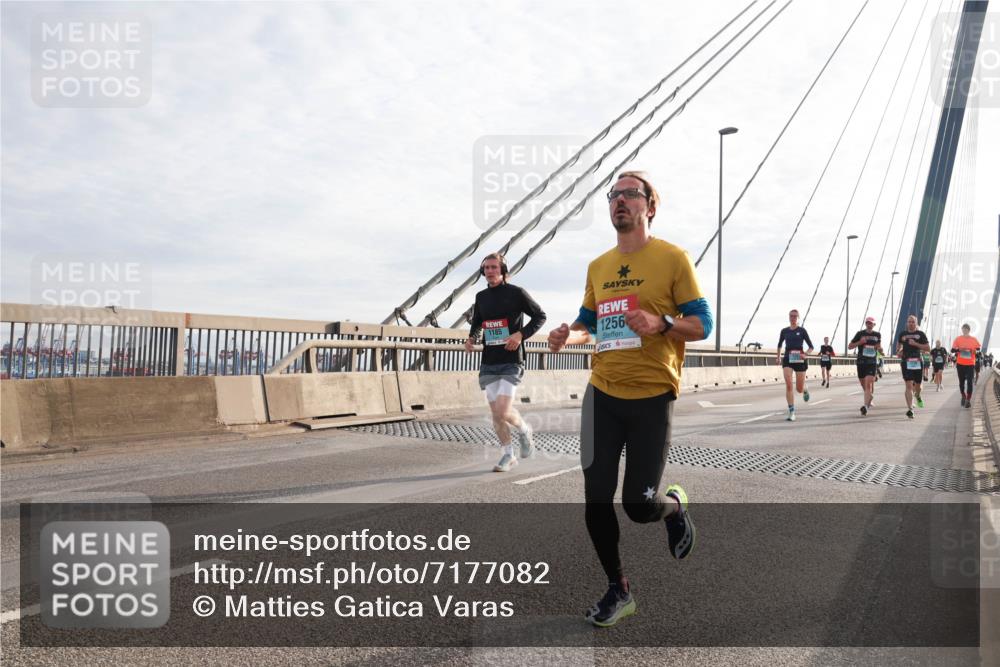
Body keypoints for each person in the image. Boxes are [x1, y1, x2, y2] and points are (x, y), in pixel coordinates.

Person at [546, 170, 712, 627]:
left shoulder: (673, 259)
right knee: (595, 499)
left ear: (649, 207)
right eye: (613, 196)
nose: (619, 201)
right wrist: (569, 335)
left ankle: (673, 507)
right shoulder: (598, 267)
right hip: (602, 395)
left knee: (639, 506)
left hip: (652, 397)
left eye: (629, 194)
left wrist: (662, 324)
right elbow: (589, 325)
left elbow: (703, 325)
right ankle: (618, 589)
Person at [465, 252, 546, 472]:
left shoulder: (516, 293)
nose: (489, 271)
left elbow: (540, 316)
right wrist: (472, 339)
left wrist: (520, 335)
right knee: (496, 415)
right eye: (486, 268)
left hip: (512, 360)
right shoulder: (481, 297)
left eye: (494, 267)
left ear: (503, 270)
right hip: (489, 361)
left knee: (502, 409)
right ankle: (509, 455)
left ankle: (524, 429)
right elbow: (478, 324)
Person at [776, 310, 814, 421]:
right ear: (789, 317)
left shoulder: (802, 331)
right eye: (791, 316)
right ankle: (792, 412)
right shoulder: (784, 331)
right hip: (788, 358)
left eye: (795, 316)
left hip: (799, 359)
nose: (793, 318)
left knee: (799, 389)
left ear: (798, 318)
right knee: (788, 385)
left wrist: (806, 354)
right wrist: (778, 357)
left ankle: (805, 389)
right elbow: (779, 345)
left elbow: (811, 346)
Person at [896, 315, 930, 419]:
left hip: (917, 362)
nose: (910, 323)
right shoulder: (903, 334)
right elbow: (899, 346)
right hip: (906, 362)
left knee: (918, 387)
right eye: (909, 322)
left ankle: (918, 395)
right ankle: (910, 409)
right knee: (909, 385)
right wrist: (899, 351)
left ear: (916, 323)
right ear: (907, 323)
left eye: (912, 322)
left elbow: (928, 348)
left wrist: (915, 344)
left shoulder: (920, 334)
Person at [848, 316, 883, 416]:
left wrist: (880, 349)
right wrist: (860, 342)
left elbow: (879, 347)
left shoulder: (877, 335)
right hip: (861, 362)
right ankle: (869, 397)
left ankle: (865, 407)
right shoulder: (860, 334)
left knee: (868, 384)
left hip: (872, 363)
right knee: (864, 385)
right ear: (865, 324)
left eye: (871, 323)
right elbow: (850, 346)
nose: (869, 324)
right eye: (867, 323)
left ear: (874, 324)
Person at [950, 323, 980, 408]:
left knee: (970, 382)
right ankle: (963, 395)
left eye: (966, 329)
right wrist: (959, 349)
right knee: (961, 383)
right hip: (960, 364)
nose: (965, 331)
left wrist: (973, 350)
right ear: (962, 330)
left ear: (969, 330)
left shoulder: (974, 339)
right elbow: (952, 350)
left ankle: (968, 400)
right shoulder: (958, 339)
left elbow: (978, 349)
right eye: (963, 329)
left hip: (970, 363)